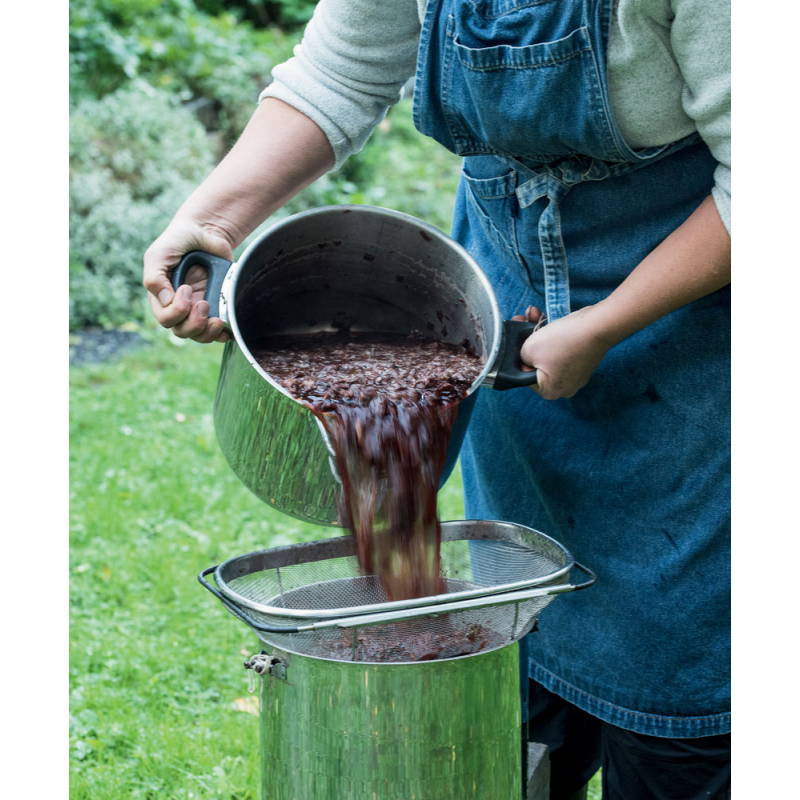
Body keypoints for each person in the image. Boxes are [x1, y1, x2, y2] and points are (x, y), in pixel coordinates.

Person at [144, 1, 731, 797]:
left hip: (699, 322)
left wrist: (603, 325)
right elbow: (342, 70)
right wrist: (213, 216)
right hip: (502, 300)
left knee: (687, 657)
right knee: (521, 600)